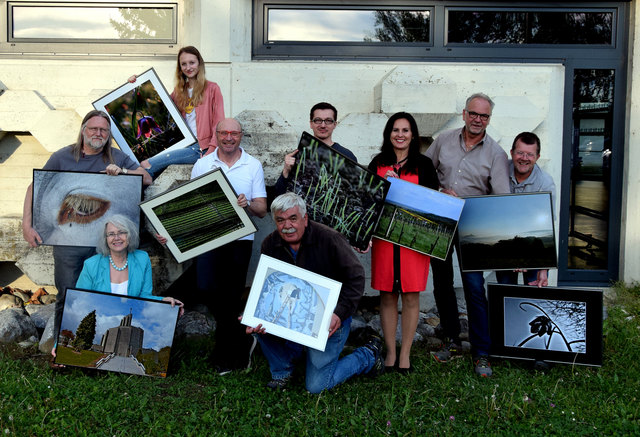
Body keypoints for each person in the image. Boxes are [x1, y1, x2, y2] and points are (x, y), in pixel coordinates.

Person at [21, 109, 152, 356]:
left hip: (106, 245)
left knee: (103, 297)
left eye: (104, 130)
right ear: (83, 131)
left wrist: (122, 172)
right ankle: (62, 352)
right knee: (68, 295)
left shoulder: (117, 157)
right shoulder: (62, 157)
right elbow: (35, 185)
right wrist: (27, 225)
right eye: (93, 129)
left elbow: (146, 178)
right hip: (68, 247)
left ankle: (101, 352)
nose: (98, 133)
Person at [245, 192, 384, 393]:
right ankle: (282, 370)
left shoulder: (330, 239)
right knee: (259, 324)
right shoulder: (270, 244)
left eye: (293, 218)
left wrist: (339, 313)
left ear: (305, 219)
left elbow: (356, 277)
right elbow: (267, 285)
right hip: (291, 311)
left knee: (317, 386)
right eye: (280, 220)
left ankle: (367, 355)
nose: (287, 226)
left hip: (329, 318)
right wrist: (253, 313)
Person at [425, 93, 510, 377]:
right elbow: (425, 173)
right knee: (442, 281)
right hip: (440, 219)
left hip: (474, 224)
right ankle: (450, 339)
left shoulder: (497, 154)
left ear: (489, 119)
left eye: (484, 116)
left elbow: (501, 198)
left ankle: (481, 352)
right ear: (464, 113)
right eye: (473, 114)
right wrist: (438, 192)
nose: (478, 120)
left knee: (474, 287)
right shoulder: (444, 141)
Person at [190, 117, 267, 373]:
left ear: (241, 135)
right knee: (205, 287)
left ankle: (224, 357)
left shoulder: (253, 165)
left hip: (240, 240)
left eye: (234, 133)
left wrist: (247, 204)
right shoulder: (202, 164)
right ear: (217, 134)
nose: (229, 138)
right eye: (224, 133)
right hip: (210, 239)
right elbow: (192, 204)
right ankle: (243, 339)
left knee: (232, 296)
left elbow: (262, 210)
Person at [368, 112, 439, 373]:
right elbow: (368, 201)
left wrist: (402, 190)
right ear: (389, 134)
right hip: (385, 239)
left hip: (413, 240)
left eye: (405, 130)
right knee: (387, 293)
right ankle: (390, 352)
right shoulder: (378, 162)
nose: (400, 134)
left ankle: (406, 353)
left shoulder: (424, 164)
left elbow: (432, 204)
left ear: (413, 135)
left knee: (410, 294)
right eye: (395, 130)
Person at [129, 46, 225, 179]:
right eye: (183, 64)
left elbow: (219, 124)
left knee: (147, 164)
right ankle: (145, 180)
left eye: (192, 62)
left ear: (199, 64)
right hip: (183, 144)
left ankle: (141, 177)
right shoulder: (179, 91)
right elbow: (162, 106)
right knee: (147, 167)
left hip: (201, 148)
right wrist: (135, 82)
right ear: (180, 68)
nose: (188, 67)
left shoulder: (212, 89)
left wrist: (211, 150)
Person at [76, 215, 183, 311]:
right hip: (100, 318)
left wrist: (163, 301)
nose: (117, 238)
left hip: (132, 317)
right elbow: (81, 300)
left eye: (122, 232)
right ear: (105, 239)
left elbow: (144, 297)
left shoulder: (142, 258)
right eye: (111, 234)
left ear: (130, 235)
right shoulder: (91, 265)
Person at [496, 132, 557, 288]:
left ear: (537, 157)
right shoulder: (498, 172)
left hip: (533, 246)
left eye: (530, 154)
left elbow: (547, 226)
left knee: (534, 290)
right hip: (507, 243)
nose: (524, 158)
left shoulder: (545, 183)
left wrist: (543, 268)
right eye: (520, 153)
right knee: (505, 291)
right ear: (511, 153)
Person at [273, 102, 357, 196]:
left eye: (328, 120)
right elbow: (278, 196)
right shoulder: (298, 155)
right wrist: (286, 170)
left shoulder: (347, 155)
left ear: (335, 124)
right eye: (318, 120)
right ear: (311, 124)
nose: (323, 125)